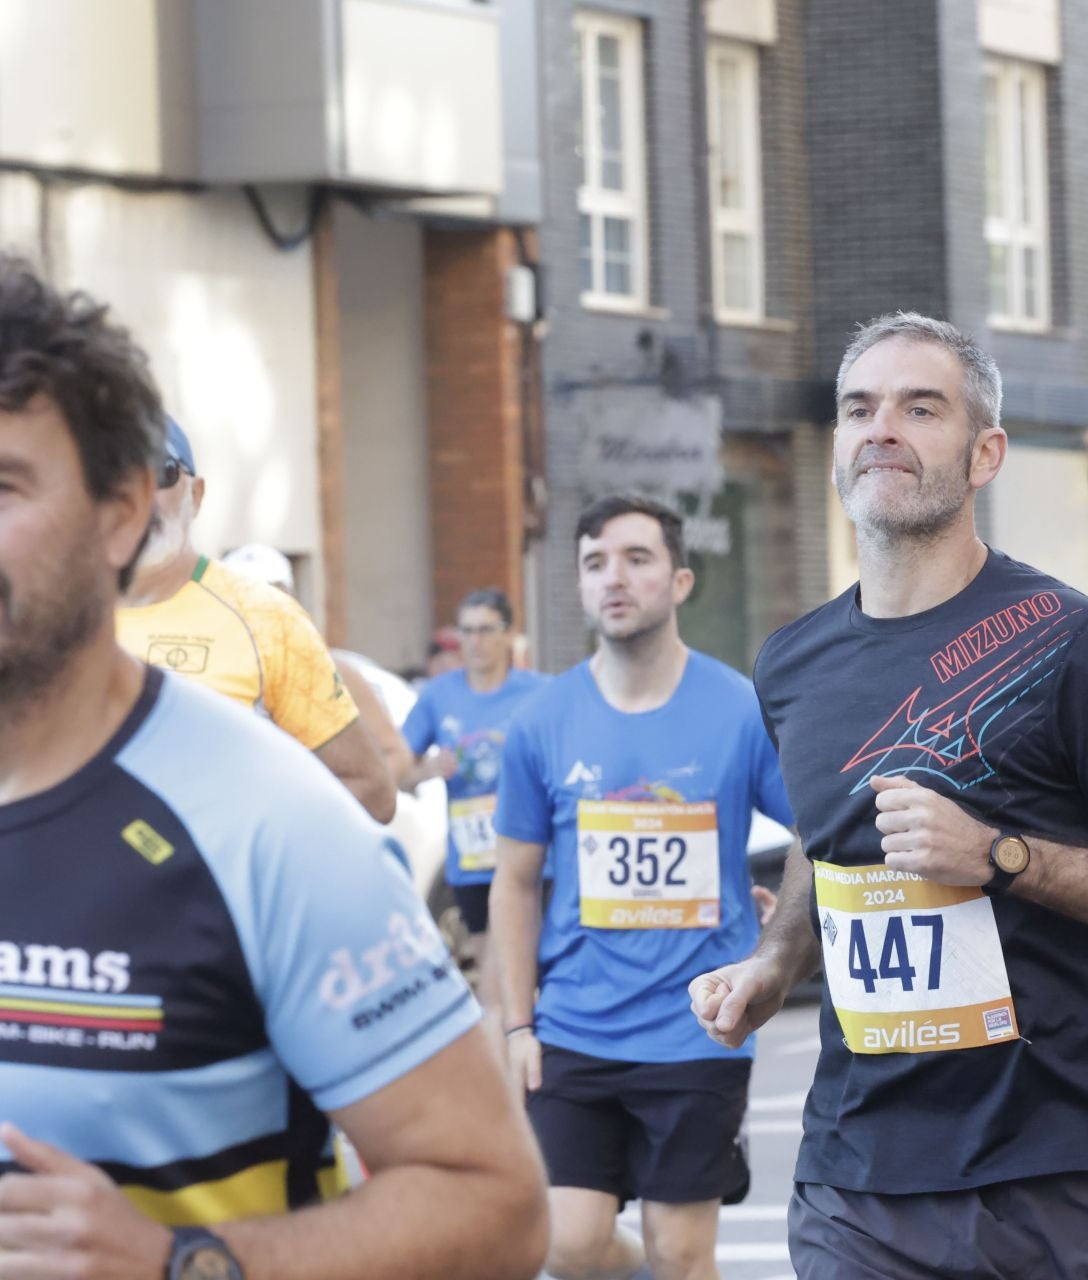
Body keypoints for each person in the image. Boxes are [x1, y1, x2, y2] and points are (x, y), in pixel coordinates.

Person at [0, 252, 547, 1279]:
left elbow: (502, 1208)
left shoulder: (266, 819)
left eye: (3, 485)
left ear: (122, 511)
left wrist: (181, 1260)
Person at [689, 312, 1088, 1280]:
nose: (883, 429)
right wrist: (775, 962)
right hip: (860, 1172)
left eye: (921, 407)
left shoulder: (1075, 644)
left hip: (1067, 1169)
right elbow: (830, 849)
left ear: (986, 452)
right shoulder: (790, 664)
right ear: (835, 447)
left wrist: (1001, 856)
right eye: (859, 408)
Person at [491, 494, 794, 1280]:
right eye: (594, 563)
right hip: (574, 1028)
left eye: (636, 558)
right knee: (567, 1244)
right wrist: (516, 1025)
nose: (613, 578)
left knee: (682, 1254)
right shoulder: (541, 722)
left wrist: (779, 941)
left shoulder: (738, 709)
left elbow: (818, 836)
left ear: (681, 580)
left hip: (697, 1028)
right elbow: (516, 884)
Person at [117, 427, 397, 823]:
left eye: (160, 473)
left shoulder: (265, 616)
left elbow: (371, 791)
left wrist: (240, 836)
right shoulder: (47, 615)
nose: (141, 496)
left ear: (195, 496)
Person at [399, 588, 549, 1007]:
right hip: (473, 861)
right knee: (493, 966)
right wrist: (429, 768)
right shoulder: (437, 695)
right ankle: (504, 1057)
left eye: (485, 630)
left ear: (508, 634)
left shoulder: (539, 692)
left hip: (534, 852)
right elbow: (396, 771)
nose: (475, 642)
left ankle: (518, 1051)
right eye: (466, 631)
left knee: (533, 965)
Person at [222, 542, 414, 785]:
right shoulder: (213, 676)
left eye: (272, 595)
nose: (260, 609)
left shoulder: (332, 670)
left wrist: (346, 803)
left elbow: (395, 754)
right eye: (246, 598)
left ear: (291, 599)